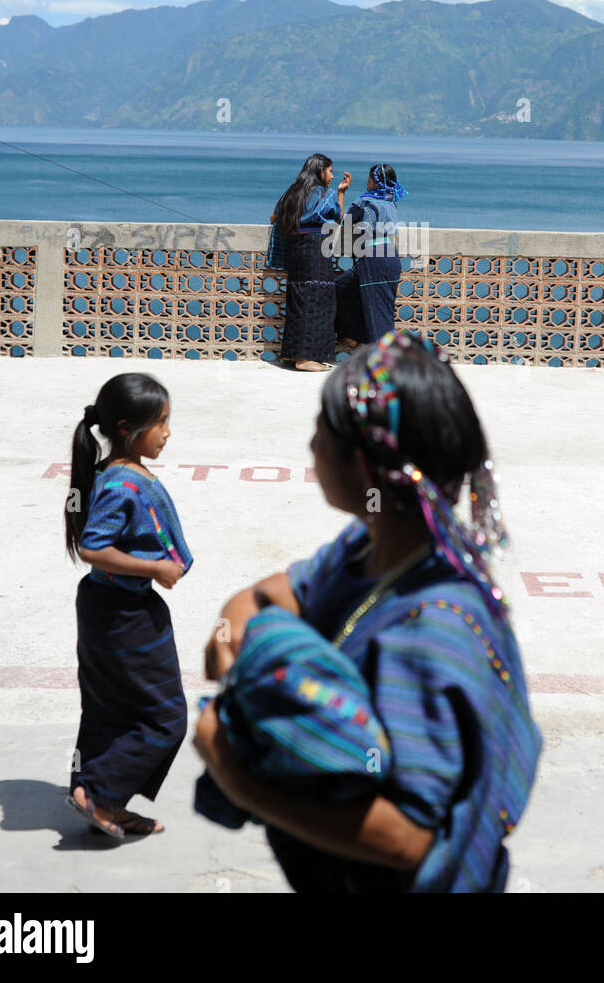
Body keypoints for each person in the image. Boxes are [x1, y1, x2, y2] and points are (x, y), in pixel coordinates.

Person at [194, 330, 542, 893]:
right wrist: (231, 638)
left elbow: (408, 838)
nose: (309, 447)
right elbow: (265, 597)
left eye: (319, 433)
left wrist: (235, 776)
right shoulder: (368, 550)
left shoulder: (431, 628)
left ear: (360, 467)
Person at [65, 373, 193, 838]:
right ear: (126, 427)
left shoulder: (121, 471)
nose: (168, 432)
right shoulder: (121, 481)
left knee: (109, 709)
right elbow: (92, 548)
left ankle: (104, 805)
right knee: (165, 717)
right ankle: (98, 791)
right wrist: (155, 569)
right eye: (160, 423)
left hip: (112, 606)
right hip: (125, 613)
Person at [269, 153, 351, 372]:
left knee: (299, 299)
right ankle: (305, 358)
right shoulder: (325, 194)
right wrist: (342, 193)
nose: (333, 175)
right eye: (330, 170)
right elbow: (336, 219)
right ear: (320, 171)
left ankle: (291, 352)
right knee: (319, 301)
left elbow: (273, 218)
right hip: (316, 248)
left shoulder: (292, 193)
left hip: (296, 250)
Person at [335, 162, 406, 351]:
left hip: (373, 258)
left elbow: (343, 221)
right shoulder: (391, 202)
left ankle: (382, 359)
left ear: (376, 182)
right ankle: (353, 339)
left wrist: (341, 193)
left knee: (377, 312)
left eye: (369, 179)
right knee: (347, 291)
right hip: (391, 256)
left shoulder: (364, 202)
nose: (367, 183)